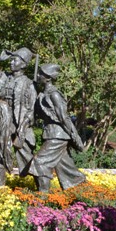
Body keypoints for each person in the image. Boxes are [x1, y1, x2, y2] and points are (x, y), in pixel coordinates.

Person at [28, 63, 86, 192]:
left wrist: (74, 136)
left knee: (39, 162)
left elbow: (63, 117)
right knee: (65, 167)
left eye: (41, 74)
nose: (37, 75)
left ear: (48, 78)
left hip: (58, 135)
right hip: (52, 133)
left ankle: (43, 197)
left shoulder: (54, 94)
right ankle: (85, 194)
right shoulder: (43, 93)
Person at [0, 48, 37, 172]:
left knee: (24, 152)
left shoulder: (29, 84)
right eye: (10, 60)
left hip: (18, 121)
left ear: (23, 64)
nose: (11, 63)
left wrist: (22, 128)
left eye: (14, 60)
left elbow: (31, 110)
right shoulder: (3, 76)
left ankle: (37, 178)